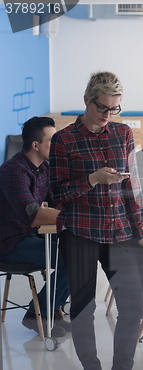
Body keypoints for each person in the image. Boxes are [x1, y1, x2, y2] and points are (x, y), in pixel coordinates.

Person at [49, 71, 143, 370]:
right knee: (84, 311)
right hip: (80, 232)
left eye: (114, 109)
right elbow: (57, 194)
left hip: (119, 232)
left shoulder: (123, 134)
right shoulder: (63, 140)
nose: (107, 115)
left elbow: (131, 187)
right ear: (86, 100)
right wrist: (91, 180)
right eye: (102, 108)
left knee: (133, 307)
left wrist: (139, 232)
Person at [0, 116, 71, 338]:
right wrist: (71, 217)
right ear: (35, 145)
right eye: (52, 141)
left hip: (32, 236)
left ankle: (48, 311)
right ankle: (37, 314)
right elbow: (33, 215)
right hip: (11, 244)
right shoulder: (14, 171)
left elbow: (58, 198)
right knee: (71, 258)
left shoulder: (45, 167)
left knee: (81, 249)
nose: (57, 146)